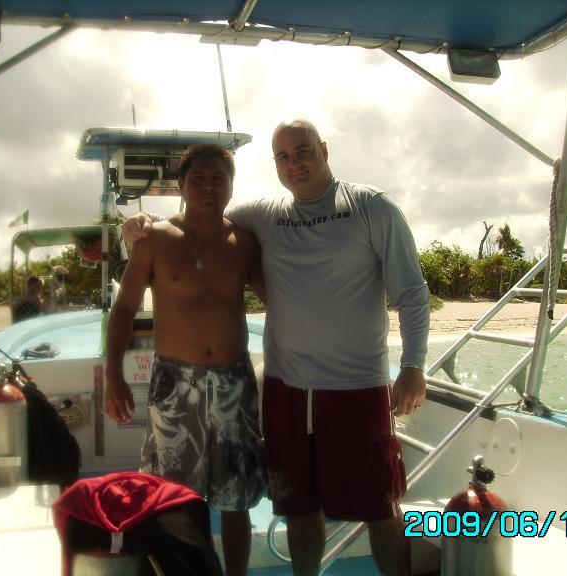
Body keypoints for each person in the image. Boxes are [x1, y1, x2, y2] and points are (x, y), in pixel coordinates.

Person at [124, 120, 430, 576]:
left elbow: (412, 294)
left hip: (357, 386)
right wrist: (140, 222)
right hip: (286, 389)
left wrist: (413, 366)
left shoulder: (372, 207)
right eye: (283, 157)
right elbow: (202, 215)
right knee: (299, 504)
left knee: (379, 503)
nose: (294, 163)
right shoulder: (264, 213)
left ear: (323, 150)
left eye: (303, 151)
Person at [105, 143, 266, 576]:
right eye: (198, 178)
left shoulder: (245, 243)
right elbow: (123, 309)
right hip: (174, 385)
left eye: (218, 178)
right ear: (182, 185)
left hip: (234, 382)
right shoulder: (154, 239)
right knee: (175, 495)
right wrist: (113, 377)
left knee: (235, 499)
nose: (208, 186)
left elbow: (281, 301)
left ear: (232, 186)